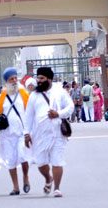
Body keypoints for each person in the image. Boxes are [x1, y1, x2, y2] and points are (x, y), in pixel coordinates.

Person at [24, 67, 73, 198]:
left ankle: (57, 188)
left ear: (49, 79)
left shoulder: (59, 92)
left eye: (42, 78)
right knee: (41, 163)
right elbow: (28, 116)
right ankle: (48, 178)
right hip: (39, 135)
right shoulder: (34, 95)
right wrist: (26, 134)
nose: (38, 81)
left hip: (57, 133)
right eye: (38, 78)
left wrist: (58, 114)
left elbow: (70, 107)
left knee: (57, 160)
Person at [0, 67, 31, 195]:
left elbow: (31, 112)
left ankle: (25, 177)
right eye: (11, 79)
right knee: (10, 160)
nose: (14, 81)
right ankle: (16, 186)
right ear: (6, 81)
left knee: (23, 156)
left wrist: (31, 130)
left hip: (21, 133)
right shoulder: (2, 96)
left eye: (15, 78)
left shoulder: (24, 94)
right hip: (6, 134)